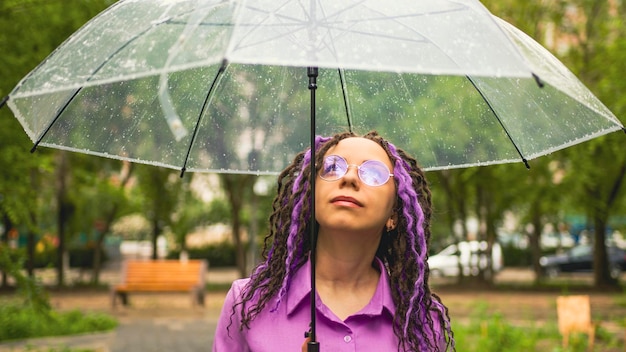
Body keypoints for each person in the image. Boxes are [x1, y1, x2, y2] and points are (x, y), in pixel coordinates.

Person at [212, 131, 454, 351]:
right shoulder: (247, 304)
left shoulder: (423, 323)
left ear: (394, 213)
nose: (349, 177)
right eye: (333, 167)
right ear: (310, 195)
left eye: (373, 173)